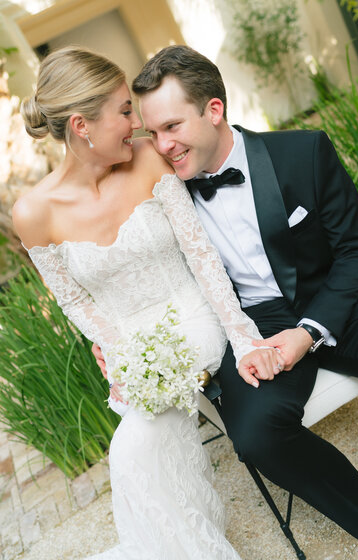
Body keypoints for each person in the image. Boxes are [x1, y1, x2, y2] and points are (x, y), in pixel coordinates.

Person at [95, 45, 358, 559]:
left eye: (172, 126)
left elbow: (355, 251)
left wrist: (307, 333)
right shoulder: (159, 195)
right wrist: (117, 340)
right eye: (152, 132)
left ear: (214, 110)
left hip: (338, 297)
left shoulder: (304, 152)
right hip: (249, 326)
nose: (162, 146)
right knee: (256, 436)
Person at [12, 46, 283, 560]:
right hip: (132, 346)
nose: (136, 125)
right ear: (81, 125)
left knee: (133, 447)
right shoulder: (33, 213)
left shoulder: (147, 163)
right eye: (123, 111)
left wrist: (243, 334)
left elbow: (202, 257)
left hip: (194, 318)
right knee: (138, 451)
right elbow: (73, 302)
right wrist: (118, 356)